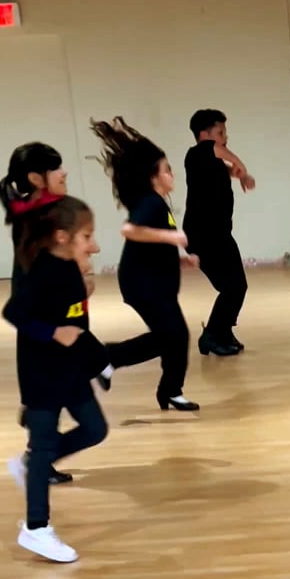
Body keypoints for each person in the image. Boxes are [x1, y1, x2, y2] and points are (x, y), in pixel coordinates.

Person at [3, 195, 109, 564]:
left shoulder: (69, 271)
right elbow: (13, 312)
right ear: (62, 237)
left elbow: (78, 325)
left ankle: (32, 464)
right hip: (40, 374)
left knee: (96, 428)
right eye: (87, 236)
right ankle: (35, 528)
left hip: (69, 369)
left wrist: (99, 364)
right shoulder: (43, 271)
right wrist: (51, 332)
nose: (93, 245)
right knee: (44, 443)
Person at [91, 117, 200, 411]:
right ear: (154, 177)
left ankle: (169, 390)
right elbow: (129, 230)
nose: (171, 173)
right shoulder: (151, 203)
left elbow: (150, 245)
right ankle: (110, 357)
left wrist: (180, 259)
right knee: (173, 336)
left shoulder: (157, 203)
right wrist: (172, 236)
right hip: (143, 284)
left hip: (151, 281)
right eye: (166, 169)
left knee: (174, 337)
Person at [0, 143, 112, 414]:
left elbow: (74, 248)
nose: (64, 172)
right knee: (46, 345)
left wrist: (86, 272)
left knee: (72, 334)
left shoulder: (58, 208)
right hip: (41, 298)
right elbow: (42, 265)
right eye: (56, 168)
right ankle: (37, 412)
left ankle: (96, 366)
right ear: (36, 178)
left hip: (59, 294)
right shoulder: (31, 218)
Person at [184, 108, 257, 357]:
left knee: (239, 285)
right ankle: (212, 336)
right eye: (220, 132)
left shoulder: (206, 161)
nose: (225, 137)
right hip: (204, 237)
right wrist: (242, 169)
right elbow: (221, 154)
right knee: (232, 287)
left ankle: (222, 332)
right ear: (204, 134)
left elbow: (219, 165)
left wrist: (234, 173)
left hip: (218, 235)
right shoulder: (196, 153)